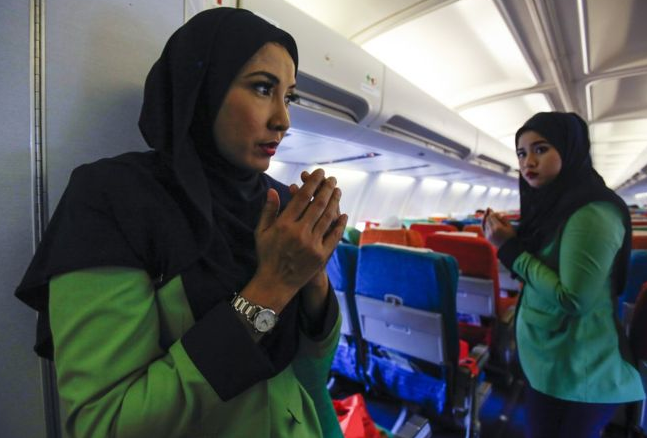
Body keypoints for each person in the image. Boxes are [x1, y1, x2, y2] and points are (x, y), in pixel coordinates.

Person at [15, 8, 347, 438]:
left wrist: (313, 280)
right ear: (202, 86)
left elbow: (312, 368)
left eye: (289, 97)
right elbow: (106, 423)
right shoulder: (116, 198)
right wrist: (273, 287)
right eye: (263, 88)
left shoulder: (278, 199)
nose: (283, 120)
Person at [482, 111, 645, 438]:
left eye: (540, 149)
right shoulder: (552, 207)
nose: (528, 162)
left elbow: (573, 299)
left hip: (577, 370)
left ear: (570, 150)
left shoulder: (593, 213)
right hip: (550, 359)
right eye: (521, 153)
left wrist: (510, 249)